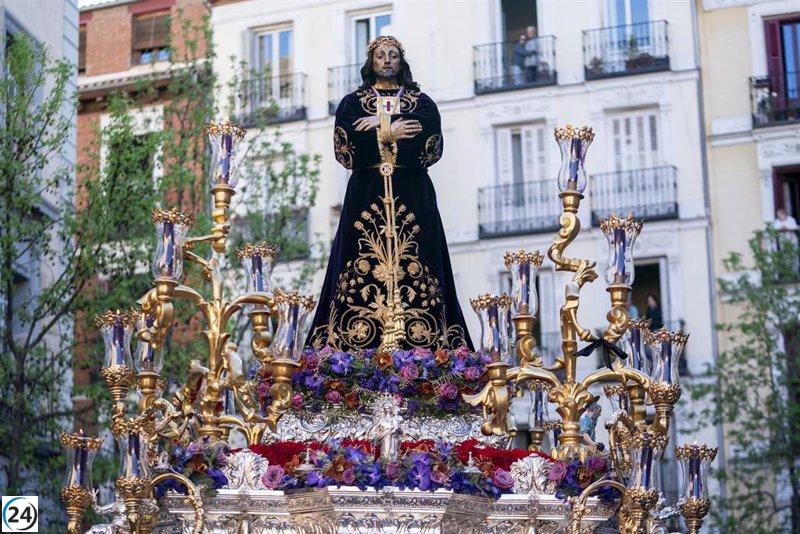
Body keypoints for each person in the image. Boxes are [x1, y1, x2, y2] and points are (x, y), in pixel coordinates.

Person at [304, 35, 474, 352]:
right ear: (371, 62)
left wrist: (380, 128)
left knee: (421, 265)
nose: (387, 60)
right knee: (357, 266)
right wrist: (391, 130)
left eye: (393, 55)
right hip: (366, 196)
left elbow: (430, 143)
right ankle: (350, 346)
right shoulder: (352, 103)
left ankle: (427, 347)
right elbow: (345, 147)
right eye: (381, 55)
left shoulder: (421, 103)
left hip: (412, 195)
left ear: (401, 62)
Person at [773, 208, 800, 273]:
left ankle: (795, 271)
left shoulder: (791, 220)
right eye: (778, 215)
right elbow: (774, 230)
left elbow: (795, 229)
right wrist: (781, 229)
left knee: (794, 255)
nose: (779, 216)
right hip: (783, 240)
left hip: (792, 240)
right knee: (785, 256)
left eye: (780, 214)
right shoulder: (777, 221)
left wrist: (787, 229)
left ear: (784, 214)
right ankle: (787, 271)